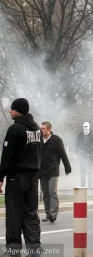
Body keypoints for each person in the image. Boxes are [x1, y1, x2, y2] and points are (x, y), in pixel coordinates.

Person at [0, 98, 42, 256]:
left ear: (19, 110)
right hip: (33, 178)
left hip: (16, 178)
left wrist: (0, 177)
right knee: (31, 213)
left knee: (14, 215)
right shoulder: (37, 129)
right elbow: (40, 152)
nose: (10, 111)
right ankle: (34, 248)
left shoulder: (15, 129)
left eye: (12, 108)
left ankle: (13, 250)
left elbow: (7, 156)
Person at [39, 121, 72, 223]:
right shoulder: (39, 140)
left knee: (52, 191)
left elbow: (63, 154)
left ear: (49, 130)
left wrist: (67, 168)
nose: (41, 130)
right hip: (41, 171)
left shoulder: (56, 140)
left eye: (43, 128)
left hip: (53, 170)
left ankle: (53, 214)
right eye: (41, 128)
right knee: (45, 193)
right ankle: (48, 214)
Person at [75, 122, 93, 187]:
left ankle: (90, 184)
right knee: (82, 171)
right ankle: (83, 185)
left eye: (86, 126)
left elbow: (92, 145)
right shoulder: (80, 135)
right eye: (84, 126)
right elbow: (77, 144)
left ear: (89, 127)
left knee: (89, 170)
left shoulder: (92, 134)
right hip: (82, 155)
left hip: (89, 155)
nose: (85, 128)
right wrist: (76, 152)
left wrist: (88, 153)